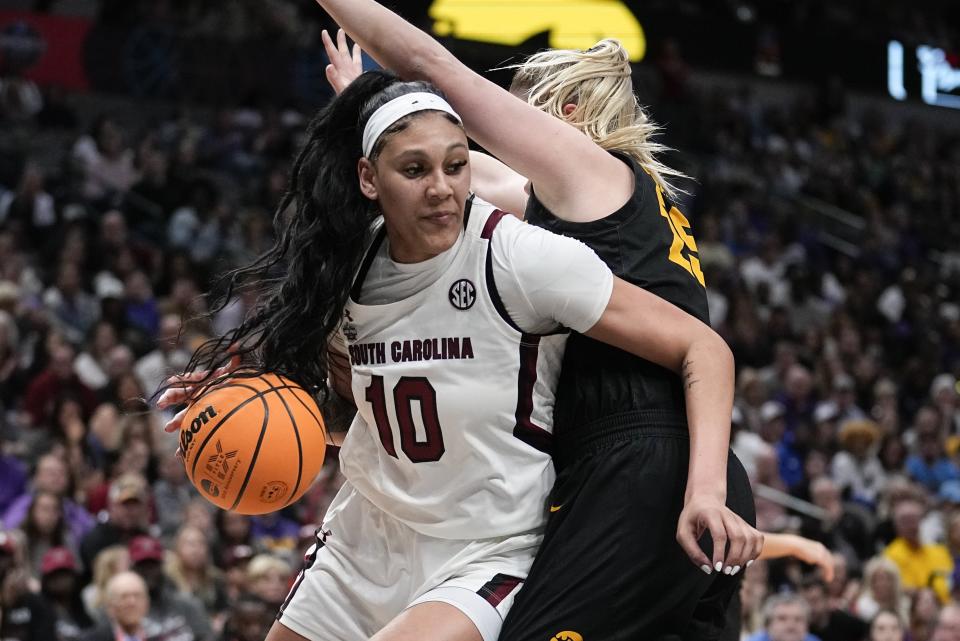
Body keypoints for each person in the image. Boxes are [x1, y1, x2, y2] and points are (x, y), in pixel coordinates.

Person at [158, 57, 756, 641]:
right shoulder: (349, 270)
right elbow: (357, 415)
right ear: (370, 178)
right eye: (415, 170)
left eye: (455, 165)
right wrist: (241, 399)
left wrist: (706, 491)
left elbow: (703, 346)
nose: (442, 188)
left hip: (483, 550)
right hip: (368, 535)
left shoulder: (525, 256)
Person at [311, 4, 760, 639]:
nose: (497, 135)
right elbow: (461, 179)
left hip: (641, 464)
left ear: (568, 116)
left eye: (517, 114)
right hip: (647, 465)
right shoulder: (598, 206)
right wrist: (365, 106)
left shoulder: (587, 170)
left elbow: (429, 65)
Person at [80, 571, 150, 641]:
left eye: (137, 595)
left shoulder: (157, 636)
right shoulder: (90, 639)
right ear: (110, 606)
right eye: (124, 597)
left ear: (147, 603)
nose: (132, 602)